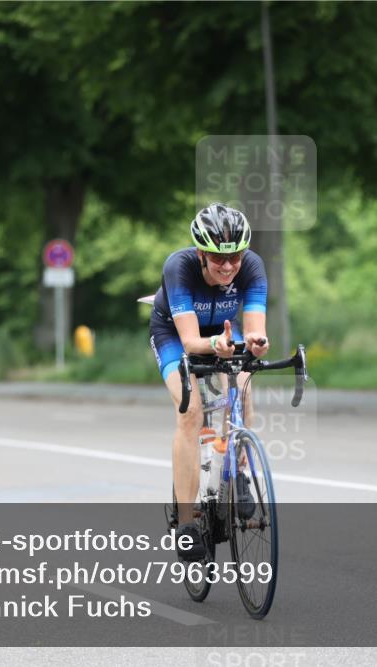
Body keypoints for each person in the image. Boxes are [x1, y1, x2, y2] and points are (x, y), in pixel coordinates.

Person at [149, 203, 270, 561]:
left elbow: (255, 333)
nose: (229, 266)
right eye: (218, 258)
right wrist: (216, 346)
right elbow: (190, 343)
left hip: (223, 333)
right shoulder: (179, 268)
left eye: (235, 256)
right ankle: (186, 523)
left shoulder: (253, 267)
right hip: (174, 334)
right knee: (191, 411)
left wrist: (257, 344)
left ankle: (238, 474)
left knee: (244, 389)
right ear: (201, 252)